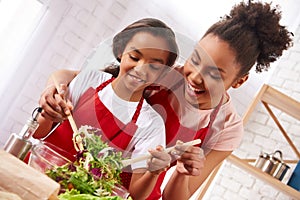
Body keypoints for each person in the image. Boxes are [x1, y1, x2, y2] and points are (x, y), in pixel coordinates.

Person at [38, 1, 293, 199]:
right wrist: (53, 90)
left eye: (214, 73)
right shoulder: (163, 73)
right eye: (195, 60)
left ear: (238, 81)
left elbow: (175, 197)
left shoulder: (227, 129)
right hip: (87, 178)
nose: (195, 76)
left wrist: (183, 174)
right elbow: (76, 77)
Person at [34, 18, 179, 200]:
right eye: (134, 57)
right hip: (37, 176)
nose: (141, 68)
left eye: (154, 65)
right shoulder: (89, 80)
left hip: (81, 196)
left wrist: (154, 172)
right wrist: (48, 113)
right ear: (120, 52)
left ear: (163, 72)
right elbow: (39, 133)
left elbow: (137, 193)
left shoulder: (151, 124)